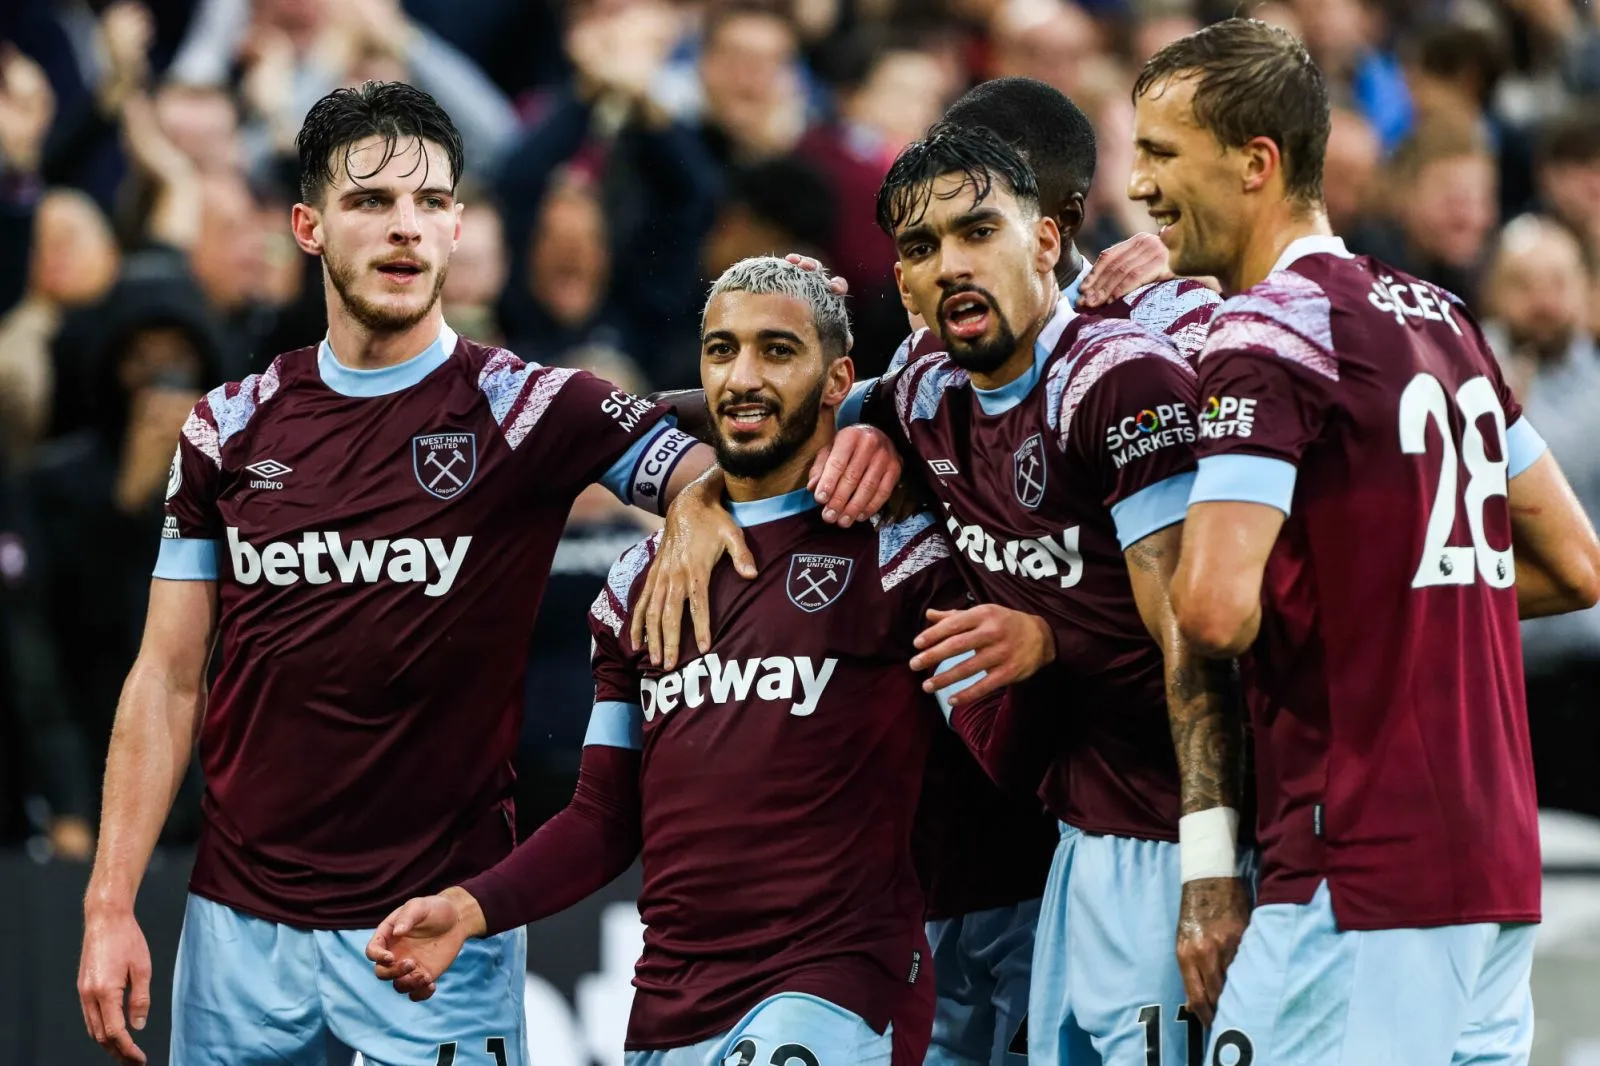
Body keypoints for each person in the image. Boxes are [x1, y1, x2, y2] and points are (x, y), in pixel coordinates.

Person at [73, 83, 898, 1066]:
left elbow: (740, 448)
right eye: (370, 201)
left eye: (429, 202)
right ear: (307, 226)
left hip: (440, 925)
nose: (405, 226)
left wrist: (830, 419)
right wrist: (110, 902)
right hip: (239, 933)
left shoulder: (526, 406)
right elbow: (167, 678)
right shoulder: (227, 425)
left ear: (457, 225)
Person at [643, 124, 1250, 1066]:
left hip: (1183, 836)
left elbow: (1204, 646)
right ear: (904, 284)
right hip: (1080, 842)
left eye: (978, 232)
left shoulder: (1118, 383)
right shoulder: (925, 391)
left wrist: (1210, 872)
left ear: (1045, 241)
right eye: (922, 248)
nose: (953, 264)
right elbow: (766, 415)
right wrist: (694, 488)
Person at [364, 257, 1022, 1066]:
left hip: (836, 986)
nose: (742, 378)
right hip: (668, 1009)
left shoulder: (897, 551)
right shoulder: (638, 582)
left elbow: (1007, 751)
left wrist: (1046, 643)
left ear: (837, 380)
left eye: (777, 350)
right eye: (721, 350)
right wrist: (469, 909)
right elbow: (605, 819)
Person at [1132, 19, 1600, 1065]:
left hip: (1359, 862)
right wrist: (1374, 586)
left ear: (1254, 162)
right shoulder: (1445, 319)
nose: (1138, 184)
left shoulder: (1265, 331)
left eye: (1161, 153)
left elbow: (1212, 610)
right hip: (1492, 861)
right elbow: (1577, 565)